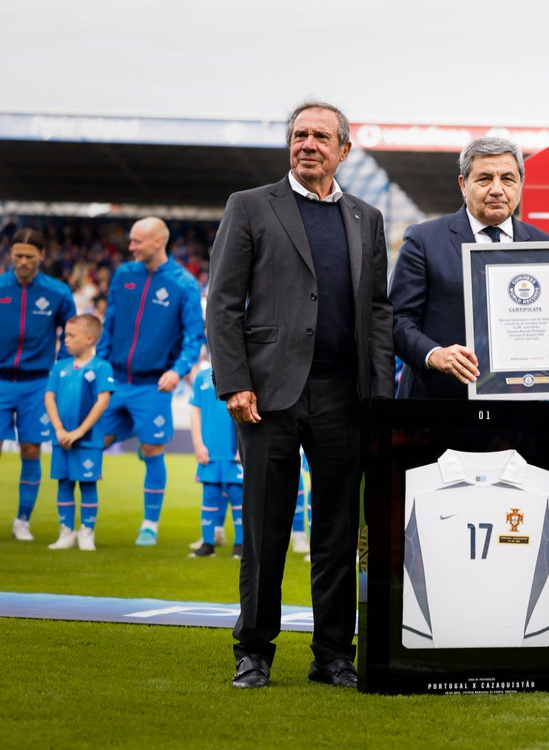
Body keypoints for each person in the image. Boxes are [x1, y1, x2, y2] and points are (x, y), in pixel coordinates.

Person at [207, 101, 393, 689]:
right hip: (269, 396)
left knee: (338, 533)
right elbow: (223, 301)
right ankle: (254, 652)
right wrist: (234, 382)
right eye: (298, 135)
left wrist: (380, 395)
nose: (307, 144)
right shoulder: (250, 206)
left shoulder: (367, 216)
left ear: (345, 148)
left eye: (320, 136)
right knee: (265, 531)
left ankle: (334, 655)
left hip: (345, 397)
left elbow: (380, 312)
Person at [390, 137, 549, 399]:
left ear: (521, 185)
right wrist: (434, 354)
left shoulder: (547, 247)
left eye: (508, 179)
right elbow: (397, 318)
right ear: (463, 185)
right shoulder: (424, 240)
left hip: (518, 407)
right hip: (438, 406)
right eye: (484, 179)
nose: (497, 189)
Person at [97, 216, 205, 546]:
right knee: (91, 440)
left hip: (154, 384)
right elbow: (110, 324)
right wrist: (99, 367)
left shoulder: (183, 283)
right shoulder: (123, 275)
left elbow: (194, 335)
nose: (130, 247)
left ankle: (149, 525)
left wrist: (178, 369)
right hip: (115, 381)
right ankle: (80, 525)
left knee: (152, 447)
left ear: (158, 242)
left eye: (136, 241)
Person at [2, 228, 76, 541]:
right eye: (17, 255)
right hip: (1, 380)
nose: (22, 261)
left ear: (41, 257)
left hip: (37, 383)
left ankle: (23, 520)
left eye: (29, 256)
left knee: (31, 449)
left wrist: (60, 368)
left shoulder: (57, 292)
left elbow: (71, 333)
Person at [44, 314, 114, 551]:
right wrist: (60, 429)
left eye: (72, 335)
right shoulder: (59, 366)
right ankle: (66, 532)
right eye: (65, 335)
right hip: (61, 438)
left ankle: (87, 532)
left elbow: (102, 401)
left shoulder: (102, 367)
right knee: (63, 483)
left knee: (87, 484)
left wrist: (79, 431)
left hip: (89, 441)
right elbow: (49, 397)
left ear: (89, 338)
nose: (66, 340)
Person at [188, 361, 243, 559]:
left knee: (238, 497)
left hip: (234, 452)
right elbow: (195, 410)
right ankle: (207, 544)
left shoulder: (241, 371)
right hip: (210, 451)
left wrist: (242, 446)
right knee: (209, 496)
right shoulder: (202, 376)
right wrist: (197, 444)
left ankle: (240, 546)